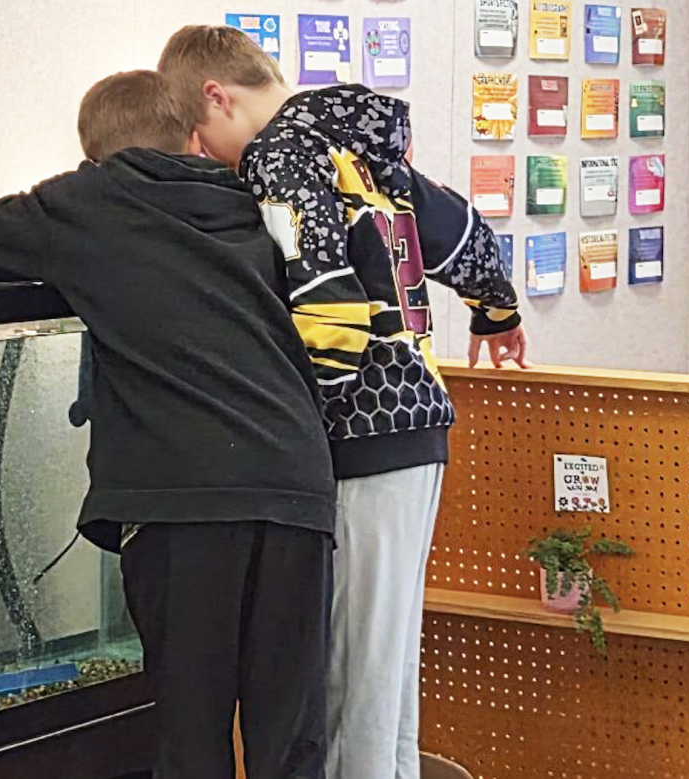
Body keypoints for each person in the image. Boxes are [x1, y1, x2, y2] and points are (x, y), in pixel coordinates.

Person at [158, 27, 530, 779]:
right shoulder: (360, 146)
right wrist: (497, 312)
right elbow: (464, 235)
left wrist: (304, 415)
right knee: (387, 676)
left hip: (360, 434)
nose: (205, 158)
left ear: (216, 96)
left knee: (348, 682)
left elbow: (324, 292)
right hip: (420, 426)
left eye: (201, 139)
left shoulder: (280, 155)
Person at [0, 69, 336, 779]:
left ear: (92, 155)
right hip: (296, 486)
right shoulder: (250, 201)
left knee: (194, 734)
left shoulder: (92, 201)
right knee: (292, 735)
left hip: (184, 499)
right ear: (195, 136)